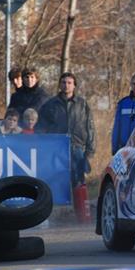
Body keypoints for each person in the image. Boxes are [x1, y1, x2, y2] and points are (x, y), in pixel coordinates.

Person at [36, 72, 95, 221]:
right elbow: (40, 128)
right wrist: (45, 147)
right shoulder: (50, 104)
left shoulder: (82, 104)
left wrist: (90, 151)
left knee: (78, 182)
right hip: (56, 149)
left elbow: (90, 128)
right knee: (54, 183)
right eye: (63, 82)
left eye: (69, 82)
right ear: (59, 85)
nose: (66, 85)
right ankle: (51, 218)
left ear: (74, 85)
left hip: (77, 148)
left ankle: (82, 218)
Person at [111, 73, 135, 154]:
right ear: (131, 85)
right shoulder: (123, 103)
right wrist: (114, 148)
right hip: (124, 148)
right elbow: (116, 127)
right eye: (134, 84)